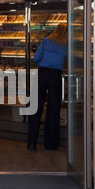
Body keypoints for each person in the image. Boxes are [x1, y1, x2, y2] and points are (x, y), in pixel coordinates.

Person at [28, 23, 67, 151]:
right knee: (53, 109)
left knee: (36, 108)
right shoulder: (66, 44)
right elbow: (68, 60)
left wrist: (45, 64)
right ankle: (51, 144)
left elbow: (36, 57)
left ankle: (32, 143)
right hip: (55, 76)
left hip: (42, 74)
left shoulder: (46, 40)